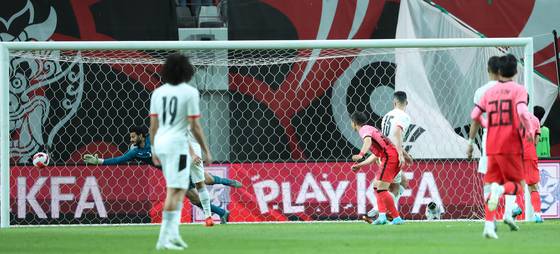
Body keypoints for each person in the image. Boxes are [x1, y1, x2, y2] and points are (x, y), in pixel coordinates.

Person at [82, 126, 240, 224]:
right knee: (204, 182)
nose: (130, 139)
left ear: (142, 136)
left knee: (197, 193)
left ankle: (222, 211)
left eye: (133, 136)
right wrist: (99, 161)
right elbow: (119, 159)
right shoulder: (135, 151)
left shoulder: (155, 140)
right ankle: (224, 201)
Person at [470, 54, 536, 239]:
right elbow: (522, 111)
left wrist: (486, 124)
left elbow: (475, 114)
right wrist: (529, 130)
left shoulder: (488, 93)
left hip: (491, 143)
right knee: (516, 186)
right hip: (510, 143)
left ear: (499, 71)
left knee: (490, 185)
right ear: (515, 71)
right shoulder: (519, 89)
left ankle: (489, 226)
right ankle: (501, 193)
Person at [150, 53, 212, 250]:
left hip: (161, 143)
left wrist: (153, 148)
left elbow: (153, 125)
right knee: (175, 191)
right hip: (177, 145)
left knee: (177, 189)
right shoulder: (189, 93)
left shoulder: (158, 93)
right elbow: (195, 126)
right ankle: (164, 238)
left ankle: (173, 235)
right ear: (187, 71)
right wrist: (205, 150)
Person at [467, 56, 520, 229]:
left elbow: (475, 119)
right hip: (510, 139)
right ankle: (509, 211)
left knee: (489, 181)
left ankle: (491, 219)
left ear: (488, 70)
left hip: (490, 140)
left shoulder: (482, 91)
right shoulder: (513, 89)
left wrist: (470, 142)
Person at [350, 112, 411, 225]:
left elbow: (367, 141)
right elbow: (377, 154)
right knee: (376, 186)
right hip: (391, 156)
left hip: (389, 157)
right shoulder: (371, 128)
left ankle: (396, 218)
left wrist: (360, 154)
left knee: (382, 189)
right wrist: (360, 165)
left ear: (354, 123)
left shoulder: (364, 130)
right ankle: (382, 216)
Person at [361, 91, 412, 224]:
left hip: (385, 153)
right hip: (393, 156)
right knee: (389, 187)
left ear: (394, 102)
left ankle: (384, 213)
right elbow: (397, 133)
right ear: (406, 103)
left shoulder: (386, 116)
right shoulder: (405, 116)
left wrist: (404, 154)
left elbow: (386, 138)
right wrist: (401, 154)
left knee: (400, 183)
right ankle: (383, 212)